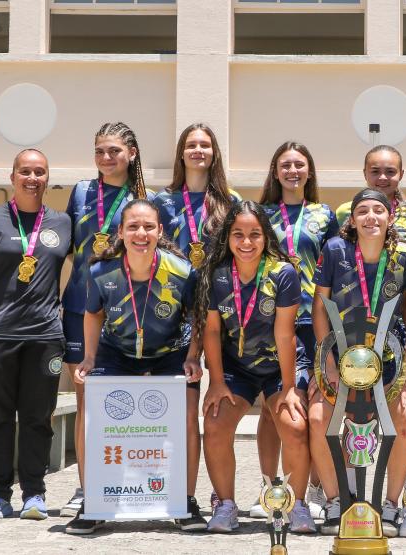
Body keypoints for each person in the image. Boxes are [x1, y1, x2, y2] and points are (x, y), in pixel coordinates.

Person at [66, 199, 202, 535]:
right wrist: (90, 358)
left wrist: (193, 357)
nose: (141, 233)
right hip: (117, 353)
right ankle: (93, 502)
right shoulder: (101, 271)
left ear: (159, 231)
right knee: (91, 414)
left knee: (186, 415)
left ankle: (185, 502)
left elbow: (198, 318)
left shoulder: (182, 271)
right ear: (122, 233)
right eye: (133, 227)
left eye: (148, 227)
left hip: (170, 353)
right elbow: (93, 313)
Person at [0, 150, 71, 520]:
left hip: (45, 337)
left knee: (39, 417)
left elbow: (88, 269)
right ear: (13, 176)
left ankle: (35, 494)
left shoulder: (62, 223)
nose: (32, 178)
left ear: (47, 178)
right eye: (26, 171)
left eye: (40, 172)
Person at [310, 188, 406, 538]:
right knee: (319, 418)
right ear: (352, 219)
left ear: (390, 218)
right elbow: (319, 308)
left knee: (405, 419)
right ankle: (337, 501)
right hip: (340, 357)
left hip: (388, 360)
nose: (371, 217)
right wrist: (326, 362)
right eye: (363, 211)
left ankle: (390, 505)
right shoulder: (334, 250)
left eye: (378, 210)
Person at [196, 200, 315, 534]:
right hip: (237, 368)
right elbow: (213, 330)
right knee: (216, 423)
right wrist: (217, 382)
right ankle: (226, 504)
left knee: (293, 425)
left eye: (254, 235)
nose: (246, 242)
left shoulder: (283, 273)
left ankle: (296, 504)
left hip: (280, 366)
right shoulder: (217, 274)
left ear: (266, 238)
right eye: (238, 234)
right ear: (227, 238)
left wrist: (290, 388)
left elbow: (285, 334)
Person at [60, 122, 149, 518]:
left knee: (127, 403)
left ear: (131, 153)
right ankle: (86, 486)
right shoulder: (80, 192)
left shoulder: (145, 199)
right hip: (80, 308)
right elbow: (67, 250)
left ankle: (126, 482)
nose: (106, 158)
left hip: (128, 315)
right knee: (86, 401)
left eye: (114, 150)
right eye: (99, 151)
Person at [152, 123, 238, 531]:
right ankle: (176, 495)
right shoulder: (161, 201)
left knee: (220, 404)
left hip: (221, 309)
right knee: (183, 412)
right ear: (181, 153)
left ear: (214, 152)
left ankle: (221, 496)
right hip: (173, 313)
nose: (198, 151)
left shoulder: (230, 201)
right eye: (191, 145)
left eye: (205, 145)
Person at [253, 141, 339, 520]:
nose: (292, 171)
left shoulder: (324, 215)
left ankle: (316, 488)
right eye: (285, 165)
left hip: (313, 320)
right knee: (272, 410)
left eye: (299, 165)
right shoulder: (261, 213)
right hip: (271, 320)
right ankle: (271, 488)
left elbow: (336, 269)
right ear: (275, 172)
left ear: (309, 172)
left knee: (314, 405)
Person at [335, 146, 406, 247]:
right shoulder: (344, 212)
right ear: (365, 173)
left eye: (390, 172)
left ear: (401, 174)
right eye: (375, 171)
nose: (382, 177)